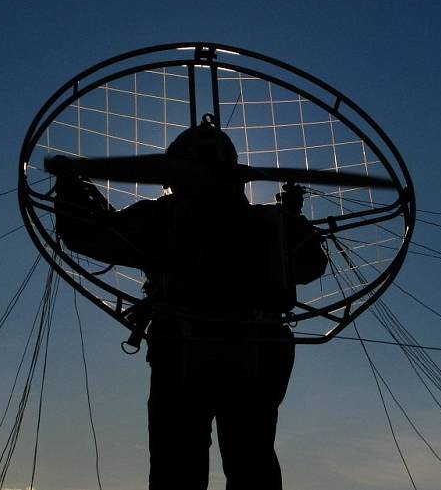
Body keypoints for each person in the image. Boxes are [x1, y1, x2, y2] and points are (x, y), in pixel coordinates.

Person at [50, 116, 327, 489]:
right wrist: (293, 222)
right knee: (247, 458)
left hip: (187, 349)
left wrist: (70, 187)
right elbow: (311, 265)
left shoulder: (164, 217)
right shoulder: (267, 222)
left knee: (182, 462)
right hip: (251, 348)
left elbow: (90, 235)